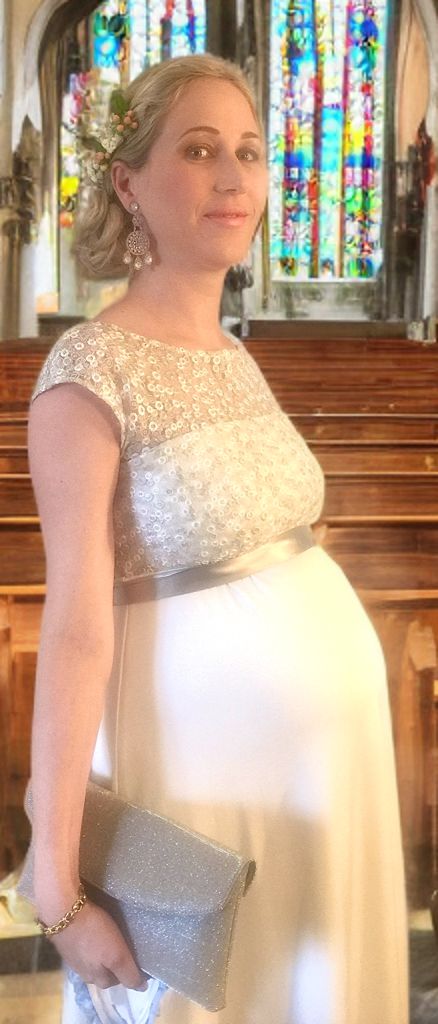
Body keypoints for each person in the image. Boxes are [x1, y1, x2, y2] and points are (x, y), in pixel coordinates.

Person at [27, 52, 409, 1024]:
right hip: (200, 781)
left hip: (323, 779)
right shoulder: (89, 369)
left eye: (249, 151)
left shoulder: (234, 354)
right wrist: (56, 881)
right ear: (128, 184)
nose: (234, 177)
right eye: (199, 151)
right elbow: (75, 631)